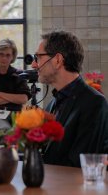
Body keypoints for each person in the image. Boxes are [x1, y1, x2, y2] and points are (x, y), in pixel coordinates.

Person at [32, 30, 108, 167]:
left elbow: (80, 165)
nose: (33, 64)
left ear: (57, 60)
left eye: (38, 57)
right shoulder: (52, 104)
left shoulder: (94, 103)